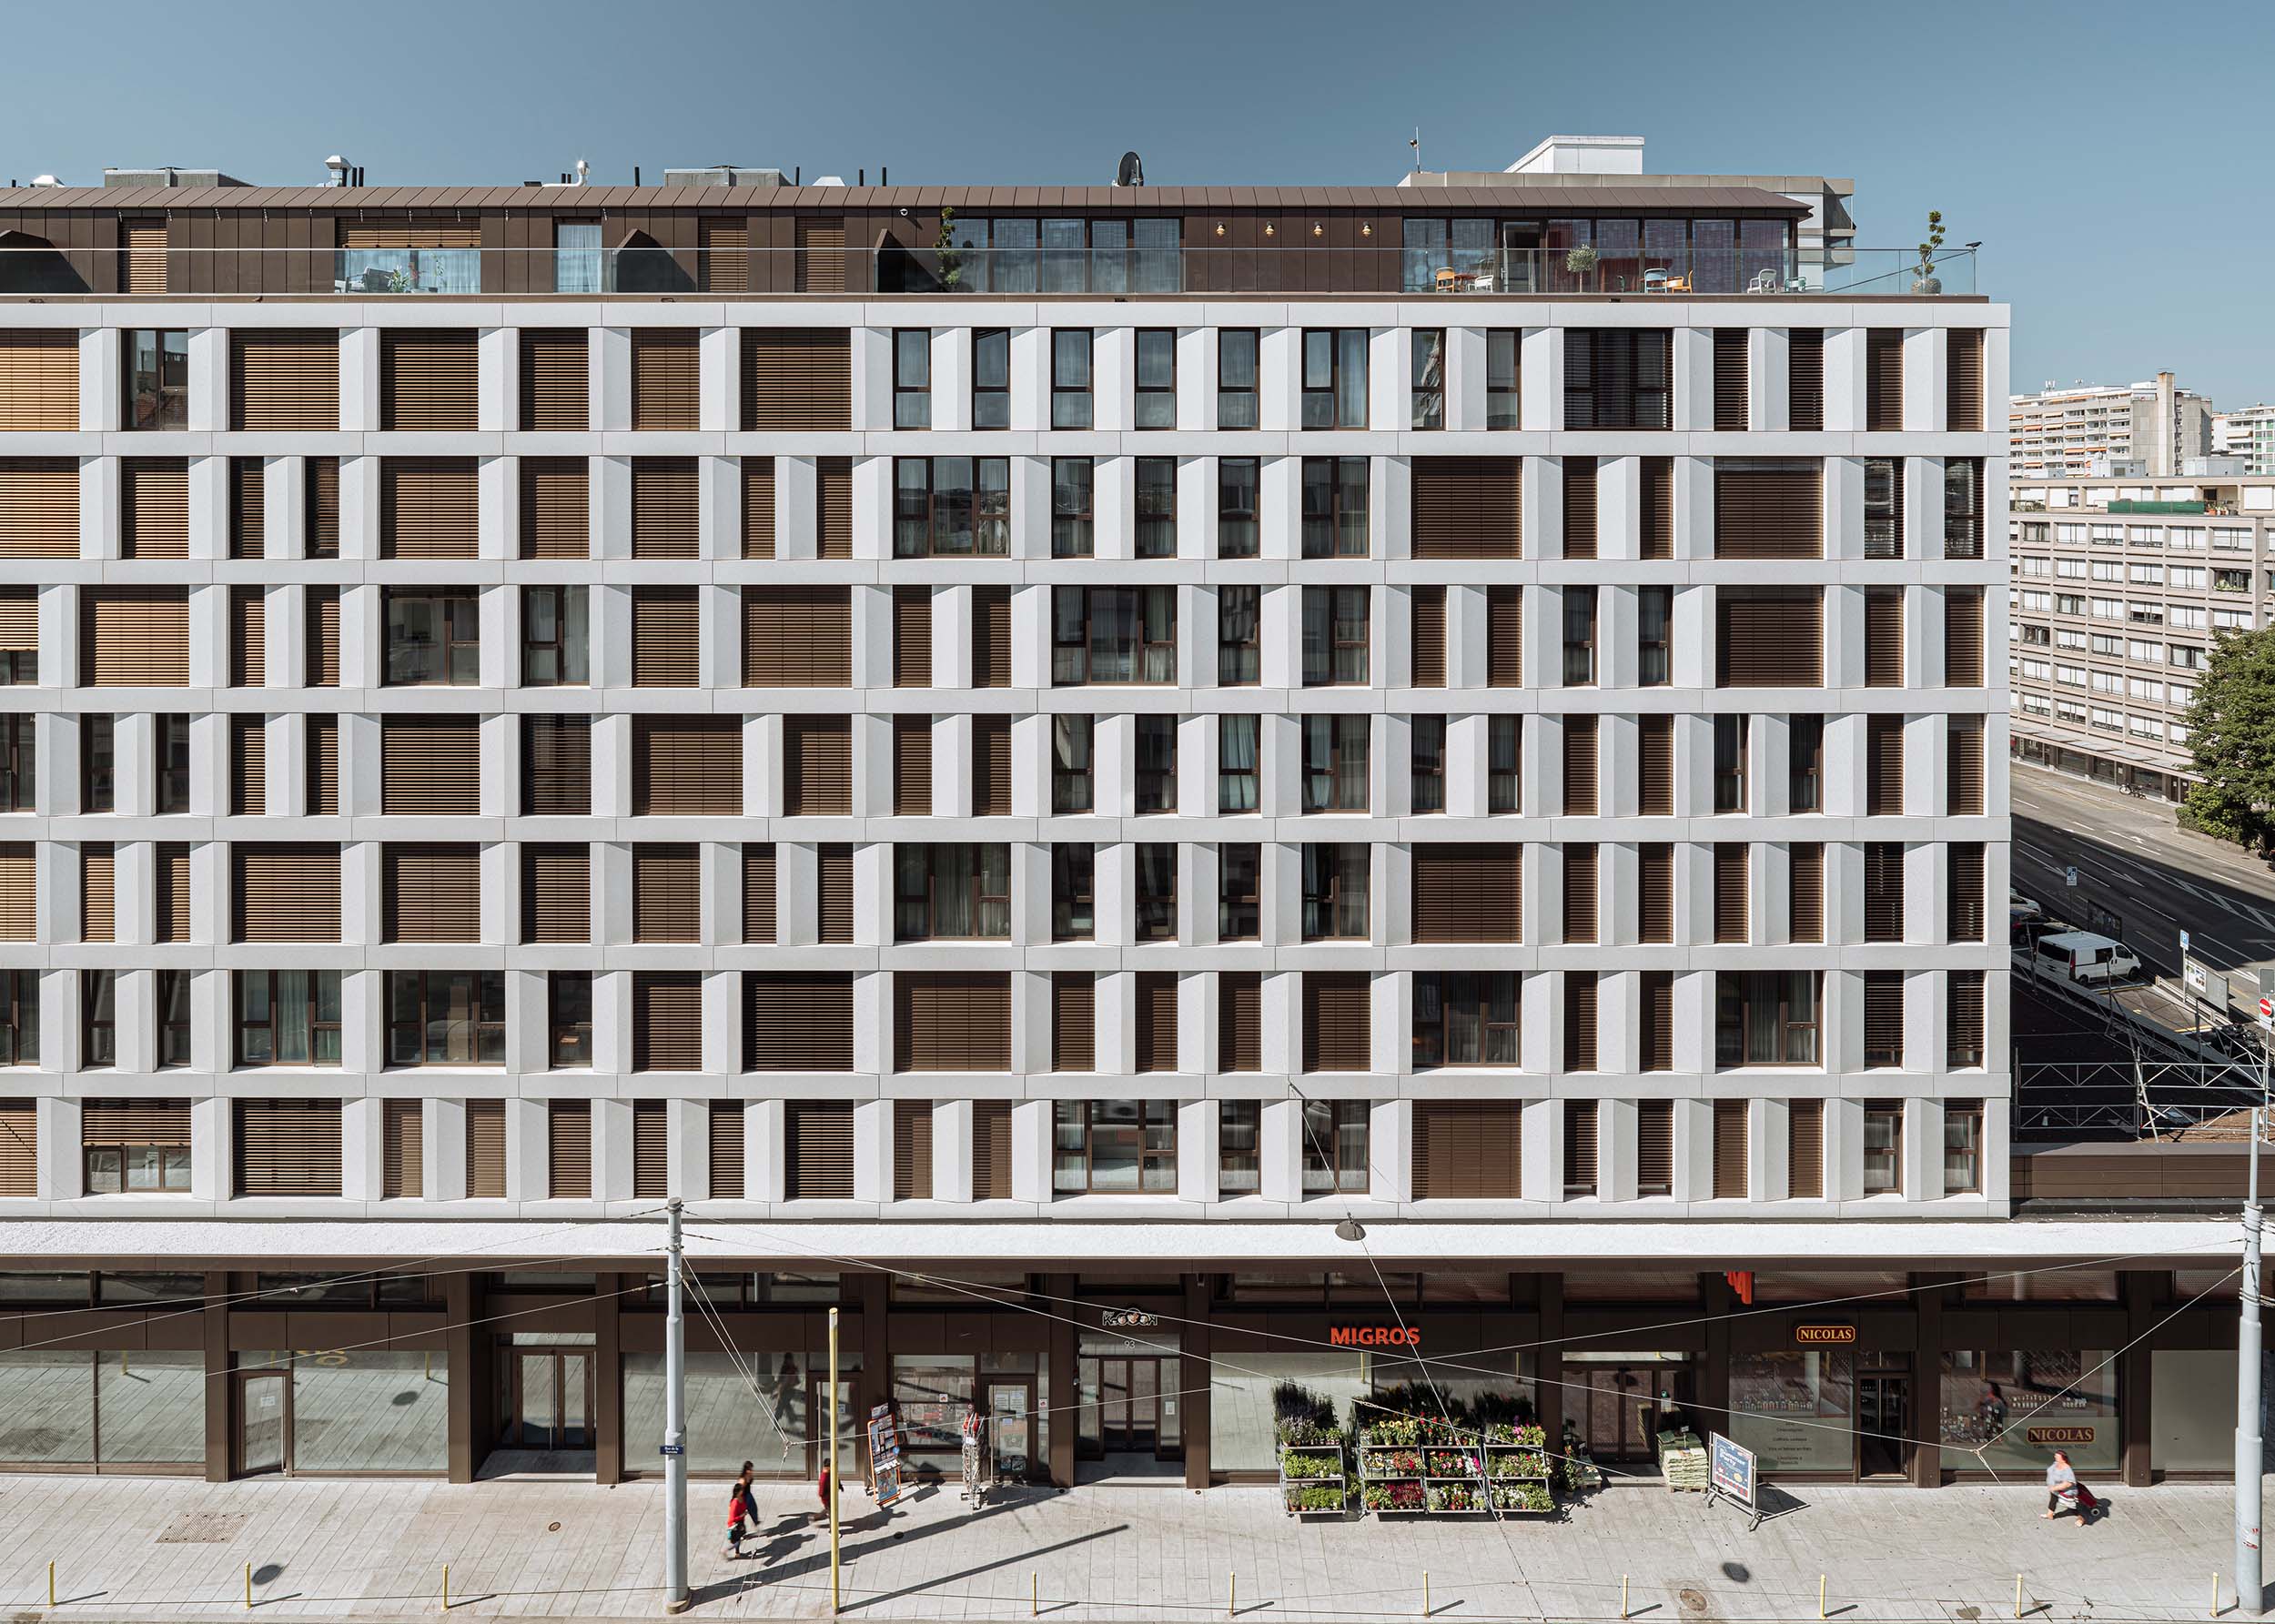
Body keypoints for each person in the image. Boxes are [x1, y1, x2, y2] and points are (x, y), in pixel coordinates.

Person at [2043, 1448, 2094, 1526]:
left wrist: (2055, 1488)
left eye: (2057, 1456)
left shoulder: (2067, 1470)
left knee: (2076, 1507)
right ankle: (2050, 1515)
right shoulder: (2055, 1464)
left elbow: (2068, 1484)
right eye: (2055, 1456)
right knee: (2053, 1499)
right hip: (2057, 1490)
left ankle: (2081, 1519)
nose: (2055, 1457)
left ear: (2063, 1460)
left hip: (2067, 1493)